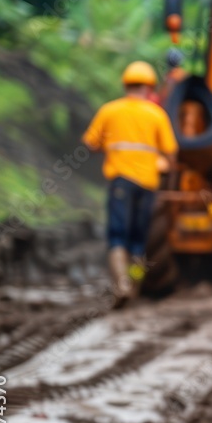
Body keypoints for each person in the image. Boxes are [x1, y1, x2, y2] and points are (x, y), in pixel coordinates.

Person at [84, 61, 179, 308]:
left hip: (121, 182)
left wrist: (110, 147)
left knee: (117, 235)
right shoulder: (156, 114)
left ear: (126, 85)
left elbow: (90, 143)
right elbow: (171, 153)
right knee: (139, 240)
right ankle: (134, 286)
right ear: (149, 87)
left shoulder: (109, 111)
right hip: (148, 184)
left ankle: (122, 285)